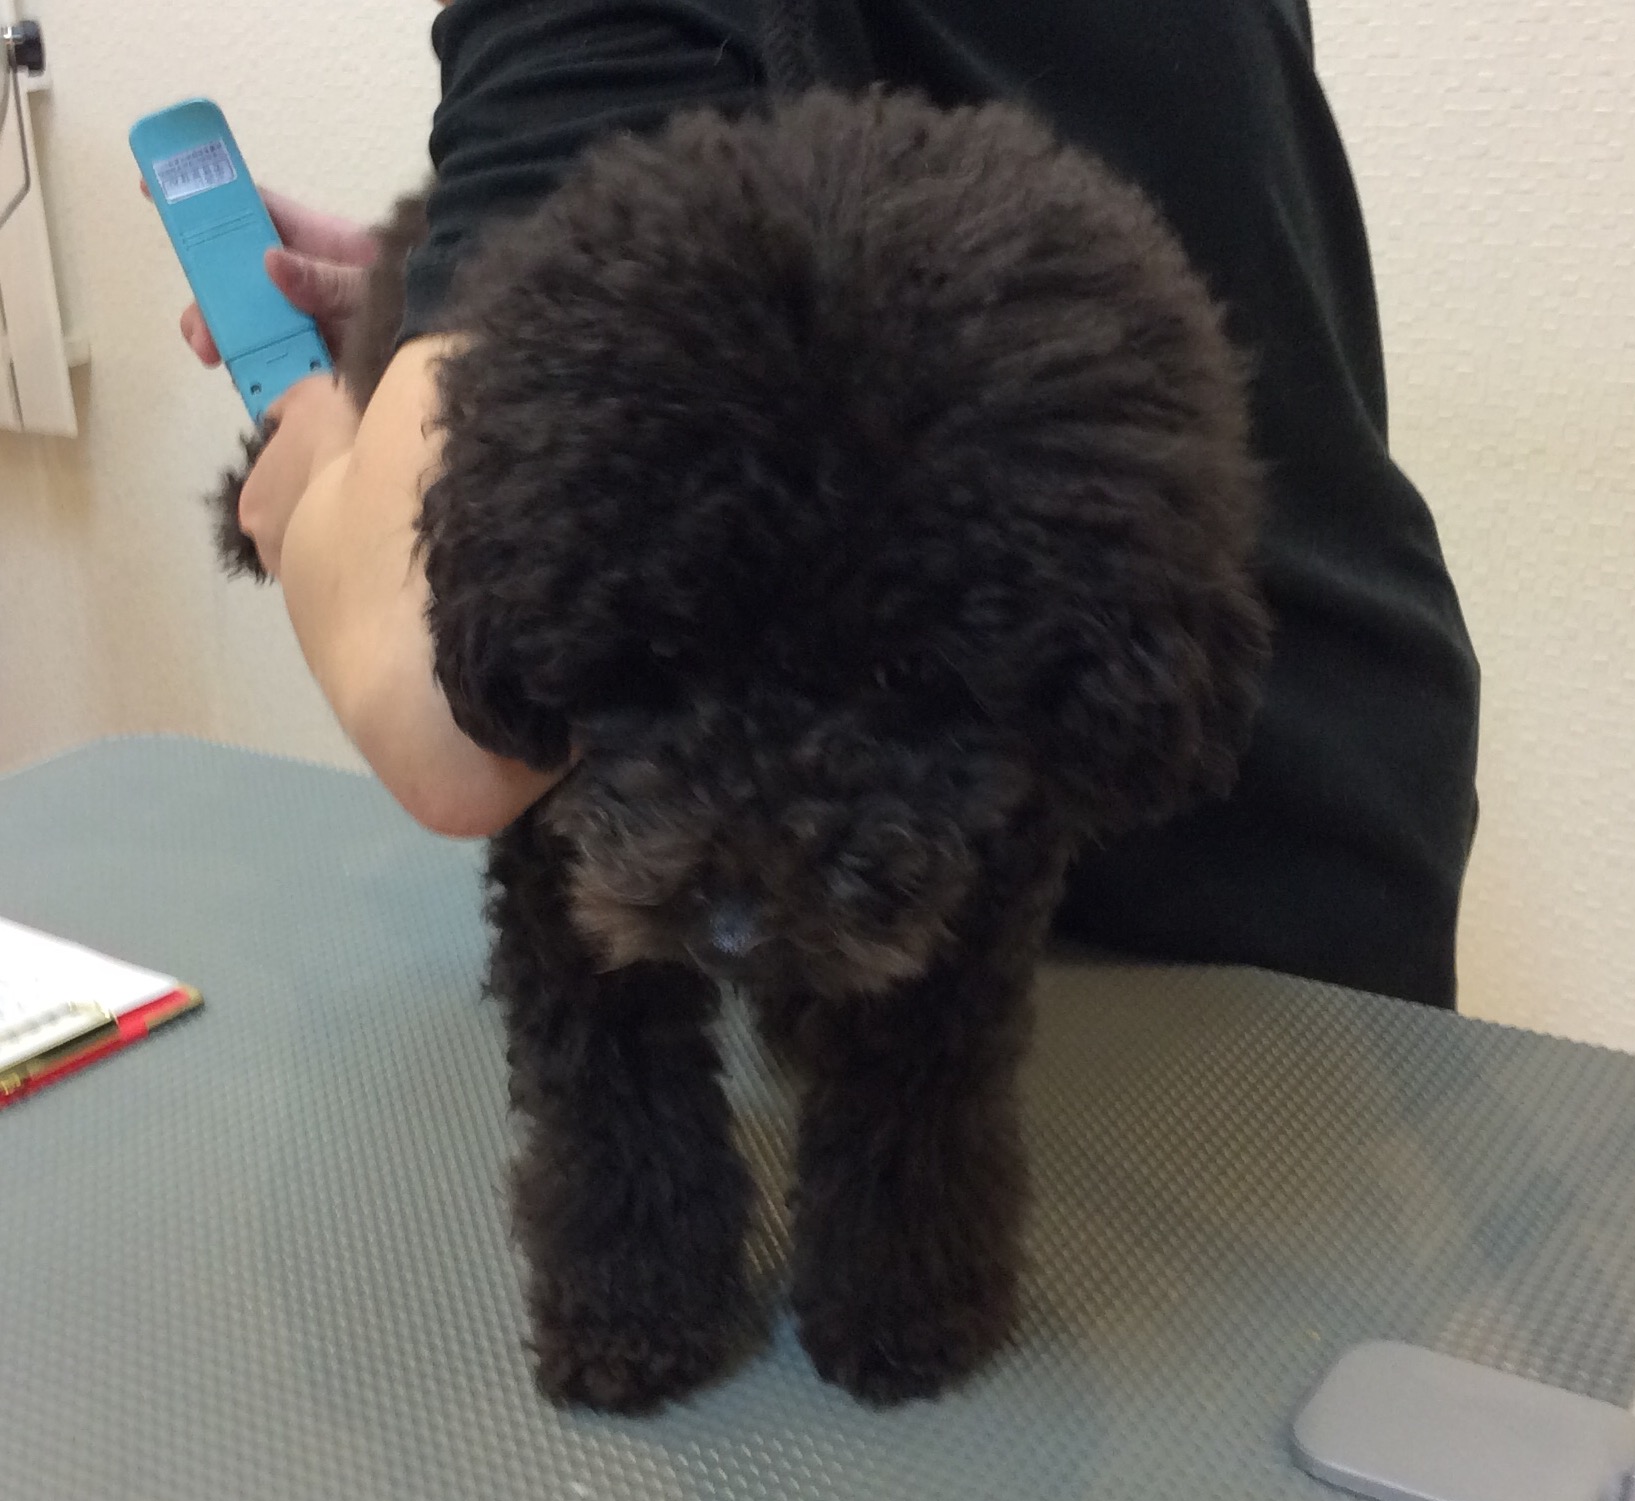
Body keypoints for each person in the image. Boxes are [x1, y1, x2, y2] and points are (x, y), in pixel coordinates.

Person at [184, 0, 1480, 1009]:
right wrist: (463, 312)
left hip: (1022, 892)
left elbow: (436, 706)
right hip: (1336, 783)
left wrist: (325, 449)